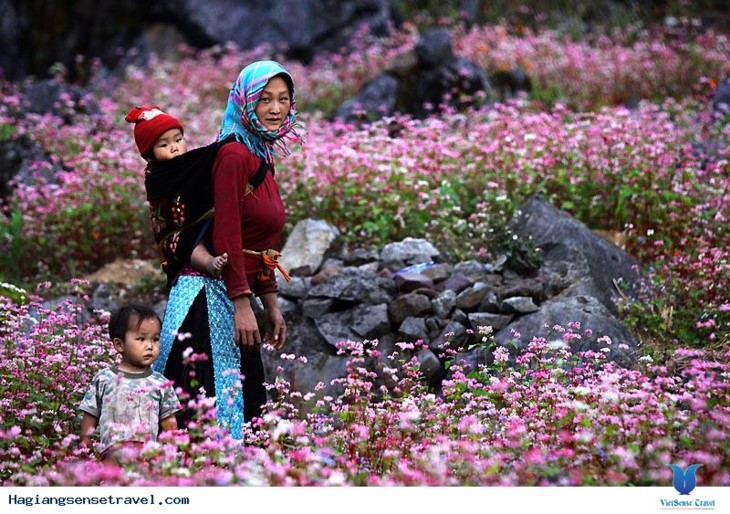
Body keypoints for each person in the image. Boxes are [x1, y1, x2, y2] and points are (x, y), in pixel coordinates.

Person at [153, 60, 304, 439]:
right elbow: (228, 234)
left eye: (283, 99)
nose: (274, 108)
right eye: (264, 99)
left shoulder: (260, 154)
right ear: (244, 102)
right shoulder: (234, 155)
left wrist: (269, 301)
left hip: (233, 290)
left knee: (243, 406)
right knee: (210, 414)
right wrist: (241, 303)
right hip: (208, 299)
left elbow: (259, 239)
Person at [125, 106, 228, 281]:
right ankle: (209, 263)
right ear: (150, 154)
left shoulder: (190, 161)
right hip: (176, 230)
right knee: (187, 244)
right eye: (164, 145)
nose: (174, 148)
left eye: (179, 140)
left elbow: (208, 155)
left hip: (202, 219)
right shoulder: (156, 176)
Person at [79, 304, 181, 460]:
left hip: (147, 456)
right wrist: (85, 442)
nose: (150, 346)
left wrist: (171, 451)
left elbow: (169, 421)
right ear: (119, 344)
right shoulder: (104, 379)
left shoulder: (160, 382)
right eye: (141, 339)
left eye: (155, 339)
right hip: (112, 454)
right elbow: (90, 413)